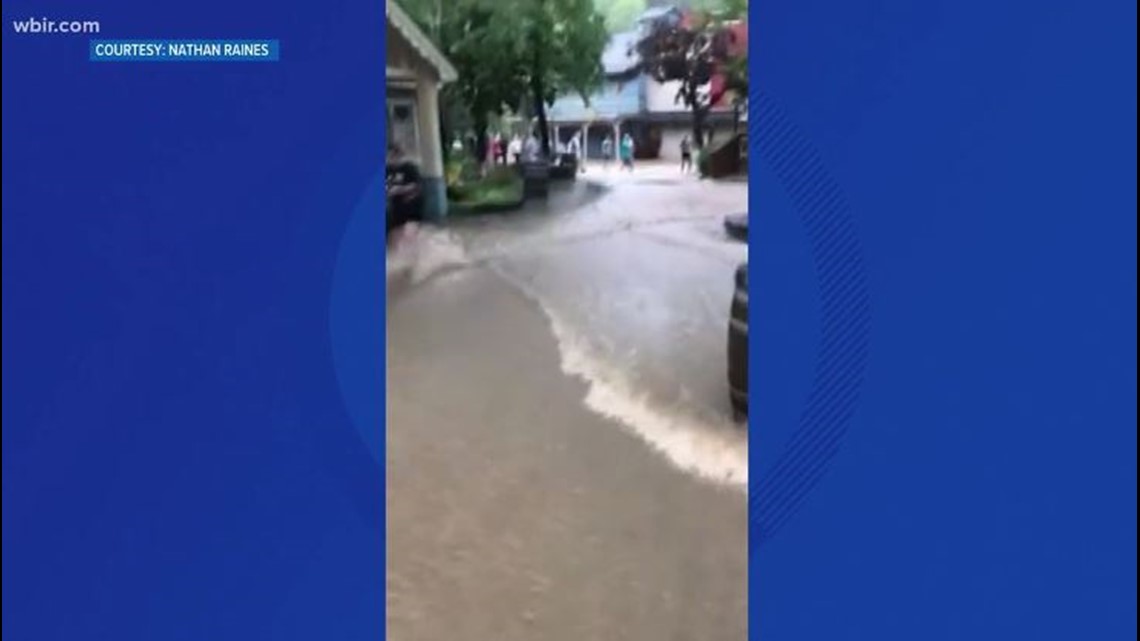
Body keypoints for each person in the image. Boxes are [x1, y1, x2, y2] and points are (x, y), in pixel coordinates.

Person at [386, 143, 423, 247]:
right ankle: (399, 256)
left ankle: (414, 254)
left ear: (399, 155)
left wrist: (399, 190)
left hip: (412, 206)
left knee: (409, 234)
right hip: (396, 208)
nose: (390, 159)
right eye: (388, 156)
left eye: (391, 156)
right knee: (395, 235)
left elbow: (415, 185)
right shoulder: (388, 170)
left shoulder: (410, 168)